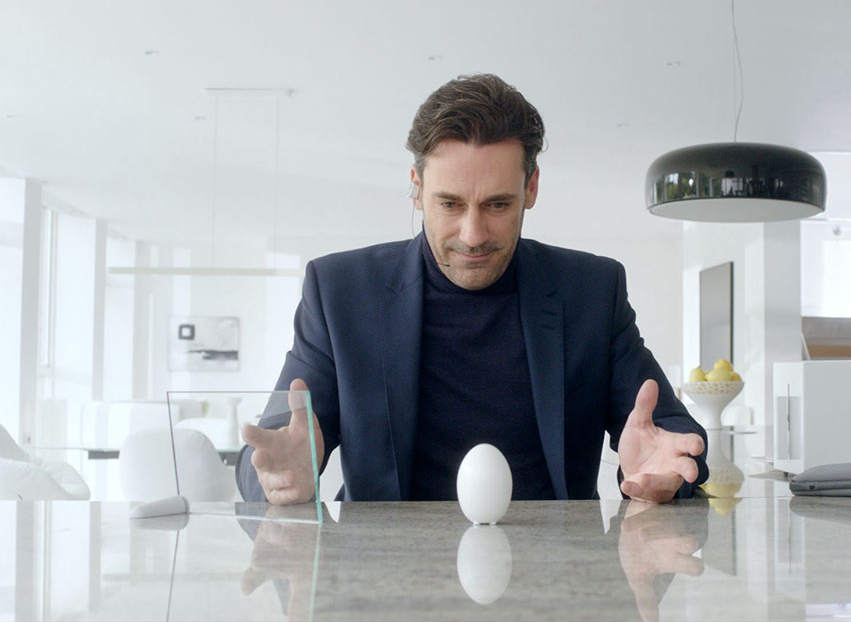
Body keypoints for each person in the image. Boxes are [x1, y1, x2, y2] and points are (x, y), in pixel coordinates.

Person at [236, 73, 708, 505]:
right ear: (417, 187)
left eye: (497, 205)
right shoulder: (340, 292)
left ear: (531, 188)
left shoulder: (590, 292)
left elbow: (671, 432)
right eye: (450, 204)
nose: (473, 235)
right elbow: (270, 444)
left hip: (554, 562)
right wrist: (277, 475)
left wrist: (669, 467)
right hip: (386, 562)